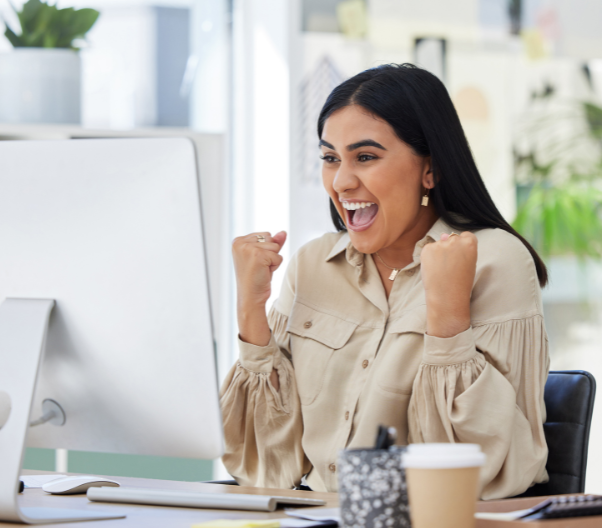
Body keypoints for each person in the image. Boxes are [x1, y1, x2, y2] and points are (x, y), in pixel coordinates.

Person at [220, 63, 549, 499]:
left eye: (366, 157)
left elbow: (480, 472)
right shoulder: (312, 265)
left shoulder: (493, 260)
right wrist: (250, 308)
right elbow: (266, 465)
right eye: (330, 158)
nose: (341, 181)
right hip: (312, 526)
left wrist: (448, 315)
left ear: (429, 169)